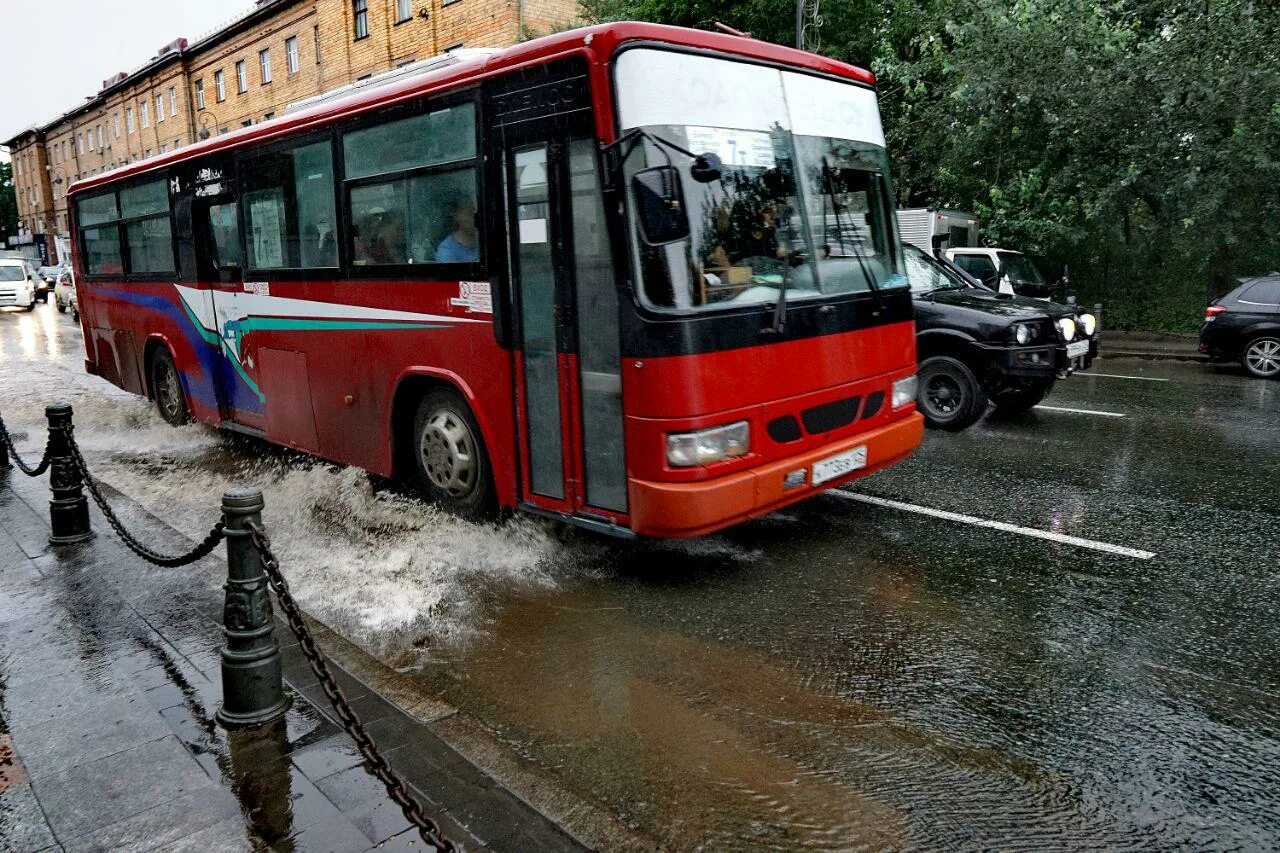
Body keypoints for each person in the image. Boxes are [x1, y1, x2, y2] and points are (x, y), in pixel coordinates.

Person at [436, 198, 479, 262]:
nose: (474, 219)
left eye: (475, 214)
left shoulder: (484, 242)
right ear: (457, 217)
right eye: (469, 214)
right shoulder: (447, 252)